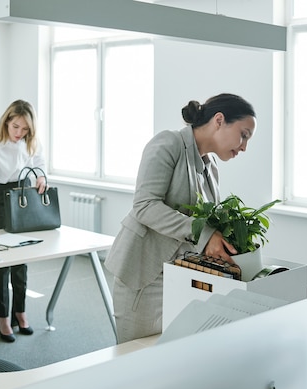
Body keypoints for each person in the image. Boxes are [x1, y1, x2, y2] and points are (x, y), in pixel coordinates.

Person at [104, 93, 257, 344]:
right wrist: (205, 235)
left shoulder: (211, 167)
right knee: (136, 360)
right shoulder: (168, 143)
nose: (244, 146)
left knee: (174, 356)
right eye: (244, 134)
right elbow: (145, 205)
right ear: (219, 120)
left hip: (182, 276)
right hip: (145, 274)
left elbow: (204, 222)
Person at [0, 99, 46, 343]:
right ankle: (3, 319)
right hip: (0, 197)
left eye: (25, 129)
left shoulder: (31, 141)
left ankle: (21, 312)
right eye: (16, 126)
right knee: (3, 262)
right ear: (7, 120)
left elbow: (38, 165)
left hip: (24, 196)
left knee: (22, 261)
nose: (20, 133)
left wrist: (41, 178)